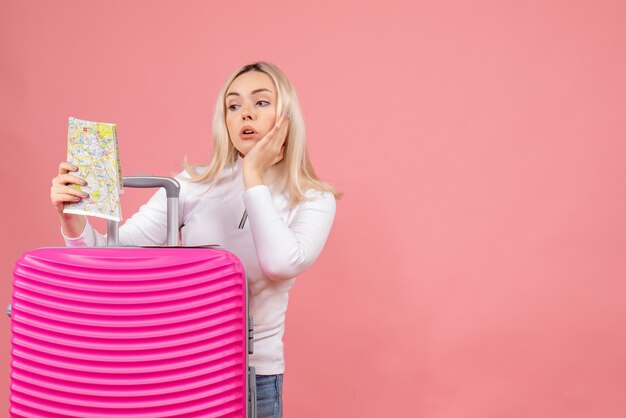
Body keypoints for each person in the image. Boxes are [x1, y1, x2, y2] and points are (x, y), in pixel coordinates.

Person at [50, 62, 339, 418]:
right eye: (233, 106)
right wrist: (73, 219)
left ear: (287, 116)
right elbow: (109, 259)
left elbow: (279, 264)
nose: (245, 113)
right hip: (177, 370)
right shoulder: (192, 185)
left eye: (261, 103)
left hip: (254, 378)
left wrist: (253, 175)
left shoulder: (312, 197)